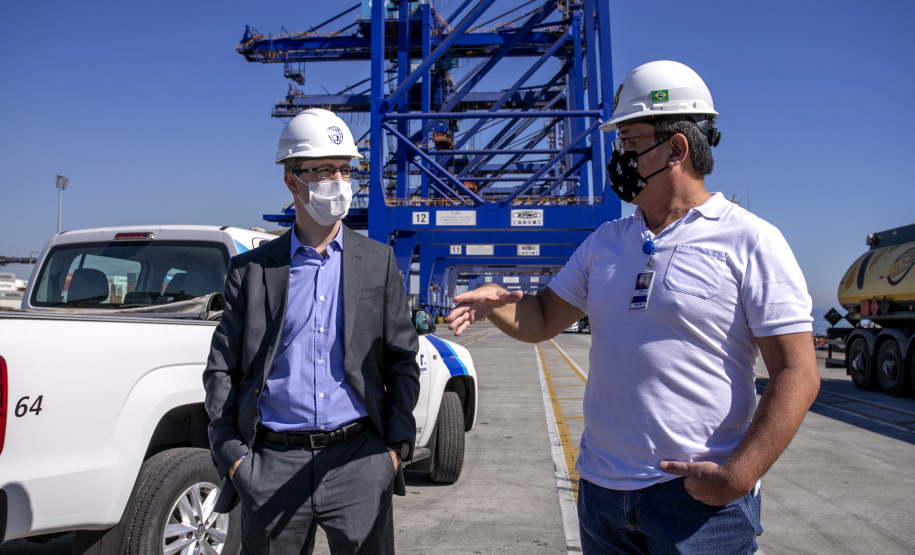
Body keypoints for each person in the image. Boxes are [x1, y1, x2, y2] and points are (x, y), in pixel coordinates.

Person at [447, 60, 820, 554]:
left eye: (628, 142)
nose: (618, 158)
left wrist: (736, 477)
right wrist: (498, 303)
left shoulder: (750, 240)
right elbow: (541, 318)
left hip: (696, 505)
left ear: (677, 148)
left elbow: (797, 372)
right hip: (602, 496)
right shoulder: (606, 242)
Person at [203, 108, 420, 554]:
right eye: (323, 170)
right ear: (292, 181)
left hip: (359, 460)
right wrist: (234, 457)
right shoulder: (251, 271)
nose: (338, 181)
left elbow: (402, 361)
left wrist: (393, 451)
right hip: (271, 465)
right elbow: (222, 368)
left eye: (345, 169)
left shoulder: (377, 262)